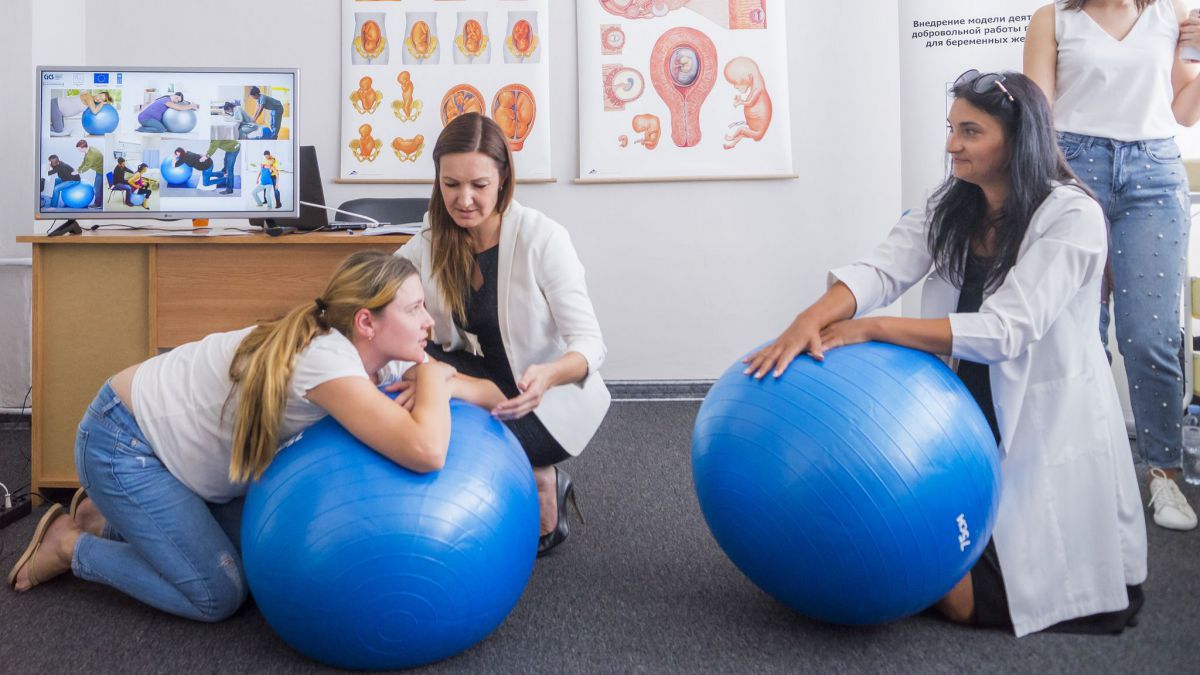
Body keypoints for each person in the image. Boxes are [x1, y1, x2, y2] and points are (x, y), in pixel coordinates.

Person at [745, 72, 1147, 637]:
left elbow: (1008, 329)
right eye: (951, 128)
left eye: (970, 131)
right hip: (956, 409)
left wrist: (872, 329)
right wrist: (808, 319)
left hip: (1038, 417)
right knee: (907, 542)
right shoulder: (955, 203)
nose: (952, 144)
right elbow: (885, 268)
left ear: (1018, 140)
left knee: (964, 599)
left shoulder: (1070, 216)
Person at [5, 252, 504, 622]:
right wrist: (435, 378)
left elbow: (492, 395)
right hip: (124, 443)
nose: (429, 322)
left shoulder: (377, 353)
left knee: (257, 552)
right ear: (366, 322)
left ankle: (106, 517)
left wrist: (443, 379)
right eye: (416, 309)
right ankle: (71, 546)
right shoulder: (327, 361)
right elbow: (427, 451)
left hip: (171, 456)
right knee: (218, 593)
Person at [396, 113, 610, 557]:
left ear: (503, 179)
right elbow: (382, 284)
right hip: (483, 373)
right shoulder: (433, 238)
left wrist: (550, 375)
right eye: (451, 184)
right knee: (403, 369)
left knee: (434, 399)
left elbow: (590, 344)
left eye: (479, 184)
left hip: (538, 397)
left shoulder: (542, 238)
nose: (464, 199)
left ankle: (543, 476)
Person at [1024, 0, 1200, 531]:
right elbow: (1036, 118)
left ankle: (1164, 473)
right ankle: (1085, 466)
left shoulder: (1173, 14)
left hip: (1154, 173)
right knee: (1077, 331)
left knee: (1150, 336)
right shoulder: (1053, 18)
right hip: (1073, 168)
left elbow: (1186, 112)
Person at [75, 140, 104, 208]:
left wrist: (79, 172)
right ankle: (101, 203)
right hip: (100, 170)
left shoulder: (91, 155)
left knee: (96, 189)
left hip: (101, 171)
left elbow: (87, 166)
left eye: (79, 149)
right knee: (100, 188)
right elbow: (84, 161)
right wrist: (78, 169)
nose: (78, 150)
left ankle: (97, 204)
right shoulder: (88, 149)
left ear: (83, 148)